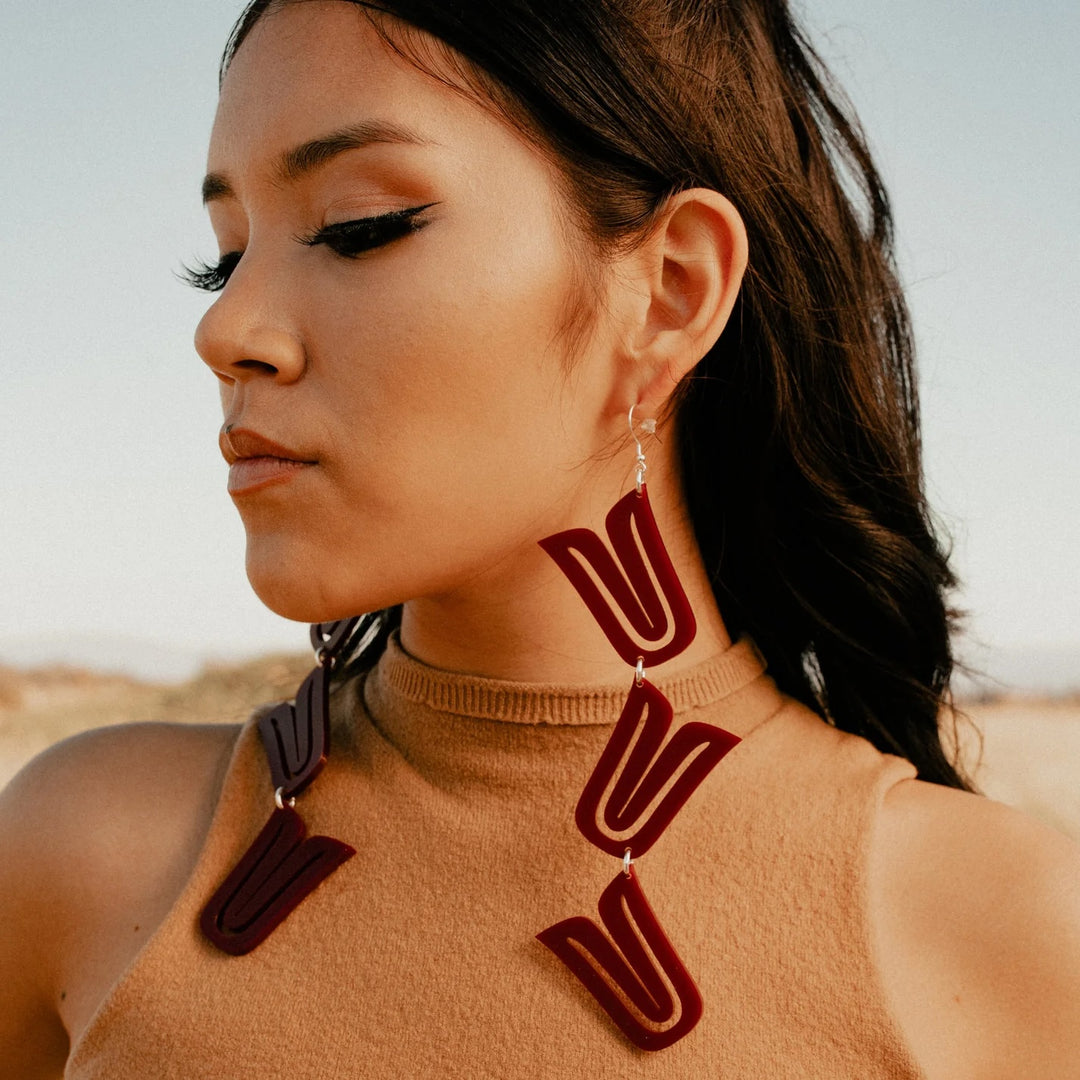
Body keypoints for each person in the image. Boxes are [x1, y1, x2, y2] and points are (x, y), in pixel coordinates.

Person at [2, 0, 1079, 1076]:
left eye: (357, 225)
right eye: (225, 256)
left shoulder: (1010, 937)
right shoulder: (81, 856)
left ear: (668, 294)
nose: (225, 328)